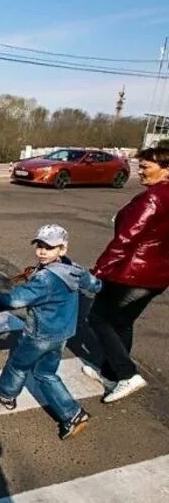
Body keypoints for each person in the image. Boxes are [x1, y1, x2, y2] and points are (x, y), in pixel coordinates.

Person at [0, 224, 102, 440]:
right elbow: (94, 285)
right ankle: (73, 414)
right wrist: (98, 284)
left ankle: (5, 394)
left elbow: (16, 300)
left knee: (18, 365)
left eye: (48, 247)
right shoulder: (74, 269)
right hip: (63, 333)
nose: (42, 251)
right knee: (45, 373)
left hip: (40, 334)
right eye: (39, 245)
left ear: (62, 249)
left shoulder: (46, 278)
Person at [84, 146, 169, 403]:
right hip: (157, 275)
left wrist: (98, 271)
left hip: (132, 273)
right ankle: (111, 374)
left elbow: (126, 239)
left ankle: (127, 373)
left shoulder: (153, 198)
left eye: (146, 167)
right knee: (122, 322)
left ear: (166, 170)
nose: (139, 171)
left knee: (97, 317)